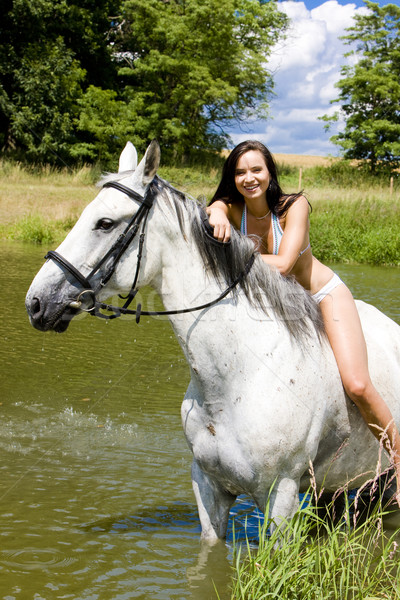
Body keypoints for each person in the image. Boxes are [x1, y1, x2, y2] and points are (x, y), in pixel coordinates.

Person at [207, 139, 400, 502]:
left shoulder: (294, 207)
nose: (249, 178)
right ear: (232, 178)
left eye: (256, 170)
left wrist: (229, 255)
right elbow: (213, 210)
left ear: (270, 173)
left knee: (356, 383)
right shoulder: (232, 210)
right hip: (278, 307)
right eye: (240, 172)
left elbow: (282, 265)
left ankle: (399, 461)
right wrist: (215, 209)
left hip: (320, 296)